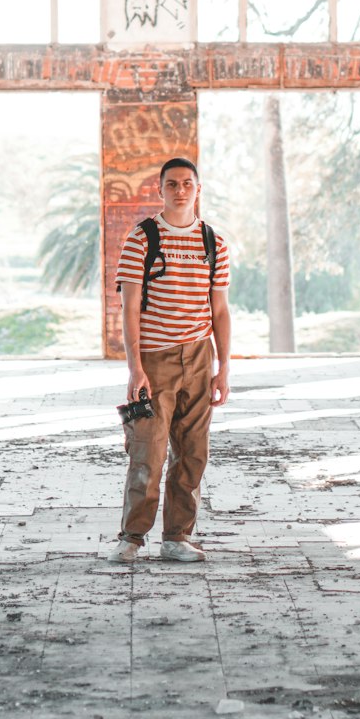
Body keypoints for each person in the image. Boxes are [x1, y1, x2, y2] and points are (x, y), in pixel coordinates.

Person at [107, 156, 231, 564]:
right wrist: (135, 367)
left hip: (199, 357)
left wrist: (223, 367)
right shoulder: (141, 239)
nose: (180, 190)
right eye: (172, 184)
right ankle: (131, 537)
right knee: (149, 451)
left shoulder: (214, 242)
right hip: (154, 358)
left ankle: (178, 536)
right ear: (160, 190)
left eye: (187, 184)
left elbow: (221, 310)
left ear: (198, 190)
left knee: (193, 452)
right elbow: (129, 308)